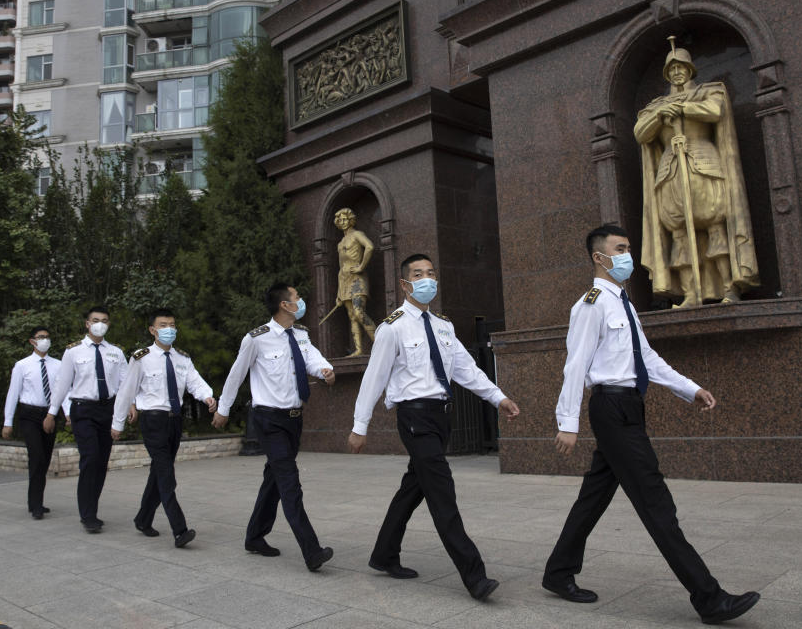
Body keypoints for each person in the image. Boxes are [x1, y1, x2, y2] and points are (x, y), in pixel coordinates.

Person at [541, 225, 759, 624]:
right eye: (620, 249)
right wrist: (567, 422)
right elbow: (574, 365)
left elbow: (648, 359)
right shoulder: (591, 304)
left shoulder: (623, 303)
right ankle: (709, 598)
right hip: (611, 408)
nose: (628, 256)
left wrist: (690, 389)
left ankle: (558, 572)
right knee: (655, 501)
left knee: (594, 496)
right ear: (598, 257)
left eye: (628, 248)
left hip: (628, 408)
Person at [348, 254, 520, 602]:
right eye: (418, 274)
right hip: (414, 417)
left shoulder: (443, 326)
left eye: (430, 273)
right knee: (442, 492)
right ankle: (475, 576)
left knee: (414, 487)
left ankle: (384, 554)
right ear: (405, 284)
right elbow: (374, 378)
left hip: (441, 415)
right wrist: (359, 425)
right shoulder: (392, 328)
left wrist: (497, 397)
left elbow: (465, 369)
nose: (427, 279)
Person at [214, 283, 336, 571]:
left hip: (294, 418)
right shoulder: (257, 339)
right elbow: (236, 374)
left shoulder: (301, 335)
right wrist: (223, 409)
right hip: (268, 419)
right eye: (296, 297)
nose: (301, 301)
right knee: (289, 481)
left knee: (275, 477)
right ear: (284, 304)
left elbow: (312, 359)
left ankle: (255, 536)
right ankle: (312, 550)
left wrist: (325, 370)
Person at [633, 39, 759, 307]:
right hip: (670, 172)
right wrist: (659, 116)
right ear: (667, 74)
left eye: (681, 67)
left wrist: (683, 107)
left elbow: (715, 111)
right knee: (679, 234)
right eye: (672, 69)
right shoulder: (657, 105)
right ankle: (690, 294)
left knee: (715, 227)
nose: (677, 72)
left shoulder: (709, 92)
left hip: (704, 165)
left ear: (690, 70)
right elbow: (640, 133)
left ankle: (729, 287)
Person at [111, 308, 216, 548]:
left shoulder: (182, 358)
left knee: (159, 472)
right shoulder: (141, 357)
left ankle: (143, 518)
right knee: (167, 475)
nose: (169, 329)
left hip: (174, 420)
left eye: (172, 324)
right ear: (152, 330)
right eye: (163, 325)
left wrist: (208, 397)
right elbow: (126, 392)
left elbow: (194, 382)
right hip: (153, 420)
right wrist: (117, 424)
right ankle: (179, 530)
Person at [48, 306, 127, 533]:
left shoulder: (116, 352)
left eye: (104, 320)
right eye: (95, 320)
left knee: (101, 462)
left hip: (108, 410)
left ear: (108, 324)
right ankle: (87, 515)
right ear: (87, 323)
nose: (99, 324)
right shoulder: (73, 352)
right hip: (83, 410)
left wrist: (130, 405)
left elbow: (125, 383)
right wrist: (53, 412)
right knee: (90, 457)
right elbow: (62, 384)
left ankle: (92, 509)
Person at [2, 326, 70, 519]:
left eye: (47, 337)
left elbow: (62, 390)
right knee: (37, 456)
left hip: (50, 413)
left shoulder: (58, 365)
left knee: (45, 458)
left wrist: (68, 413)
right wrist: (8, 421)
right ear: (32, 341)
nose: (45, 340)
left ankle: (36, 501)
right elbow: (13, 394)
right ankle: (36, 504)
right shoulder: (22, 365)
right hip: (29, 415)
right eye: (41, 337)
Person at [332, 207, 377, 356]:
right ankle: (359, 350)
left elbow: (370, 247)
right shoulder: (340, 243)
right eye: (340, 220)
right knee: (352, 316)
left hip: (357, 278)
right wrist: (339, 293)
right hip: (344, 280)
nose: (343, 222)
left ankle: (380, 344)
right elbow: (340, 268)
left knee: (359, 312)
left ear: (351, 220)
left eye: (345, 219)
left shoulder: (357, 234)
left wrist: (362, 266)